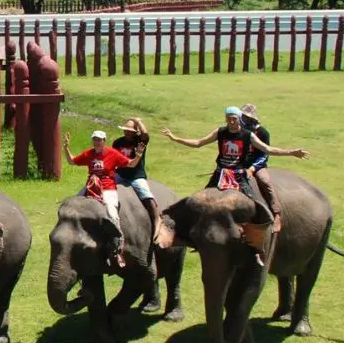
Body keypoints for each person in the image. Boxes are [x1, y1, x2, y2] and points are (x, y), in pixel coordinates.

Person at [162, 106, 310, 265]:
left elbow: (267, 149)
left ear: (239, 119)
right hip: (221, 174)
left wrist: (292, 152)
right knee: (200, 202)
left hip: (238, 175)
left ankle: (257, 245)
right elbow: (199, 143)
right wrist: (174, 138)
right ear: (226, 119)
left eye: (234, 118)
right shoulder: (220, 132)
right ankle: (193, 238)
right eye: (229, 118)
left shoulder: (248, 135)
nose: (231, 121)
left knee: (255, 207)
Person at [63, 130, 145, 269]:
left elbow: (130, 164)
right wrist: (66, 148)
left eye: (99, 139)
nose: (97, 142)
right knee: (72, 204)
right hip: (92, 185)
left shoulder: (112, 153)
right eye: (95, 139)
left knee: (111, 210)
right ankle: (70, 235)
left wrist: (138, 155)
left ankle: (117, 242)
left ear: (104, 141)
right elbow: (72, 161)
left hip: (107, 187)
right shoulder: (89, 153)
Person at [238, 104, 283, 233]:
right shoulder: (239, 131)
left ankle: (276, 214)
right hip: (240, 164)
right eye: (243, 117)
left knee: (265, 182)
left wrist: (253, 168)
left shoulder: (262, 133)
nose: (244, 120)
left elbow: (264, 155)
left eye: (247, 118)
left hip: (257, 165)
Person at [112, 118, 160, 238]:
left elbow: (145, 134)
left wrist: (137, 121)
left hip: (136, 176)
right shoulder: (118, 142)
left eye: (129, 131)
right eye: (125, 130)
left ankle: (157, 220)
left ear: (135, 132)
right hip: (121, 174)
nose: (127, 133)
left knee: (146, 195)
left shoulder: (140, 141)